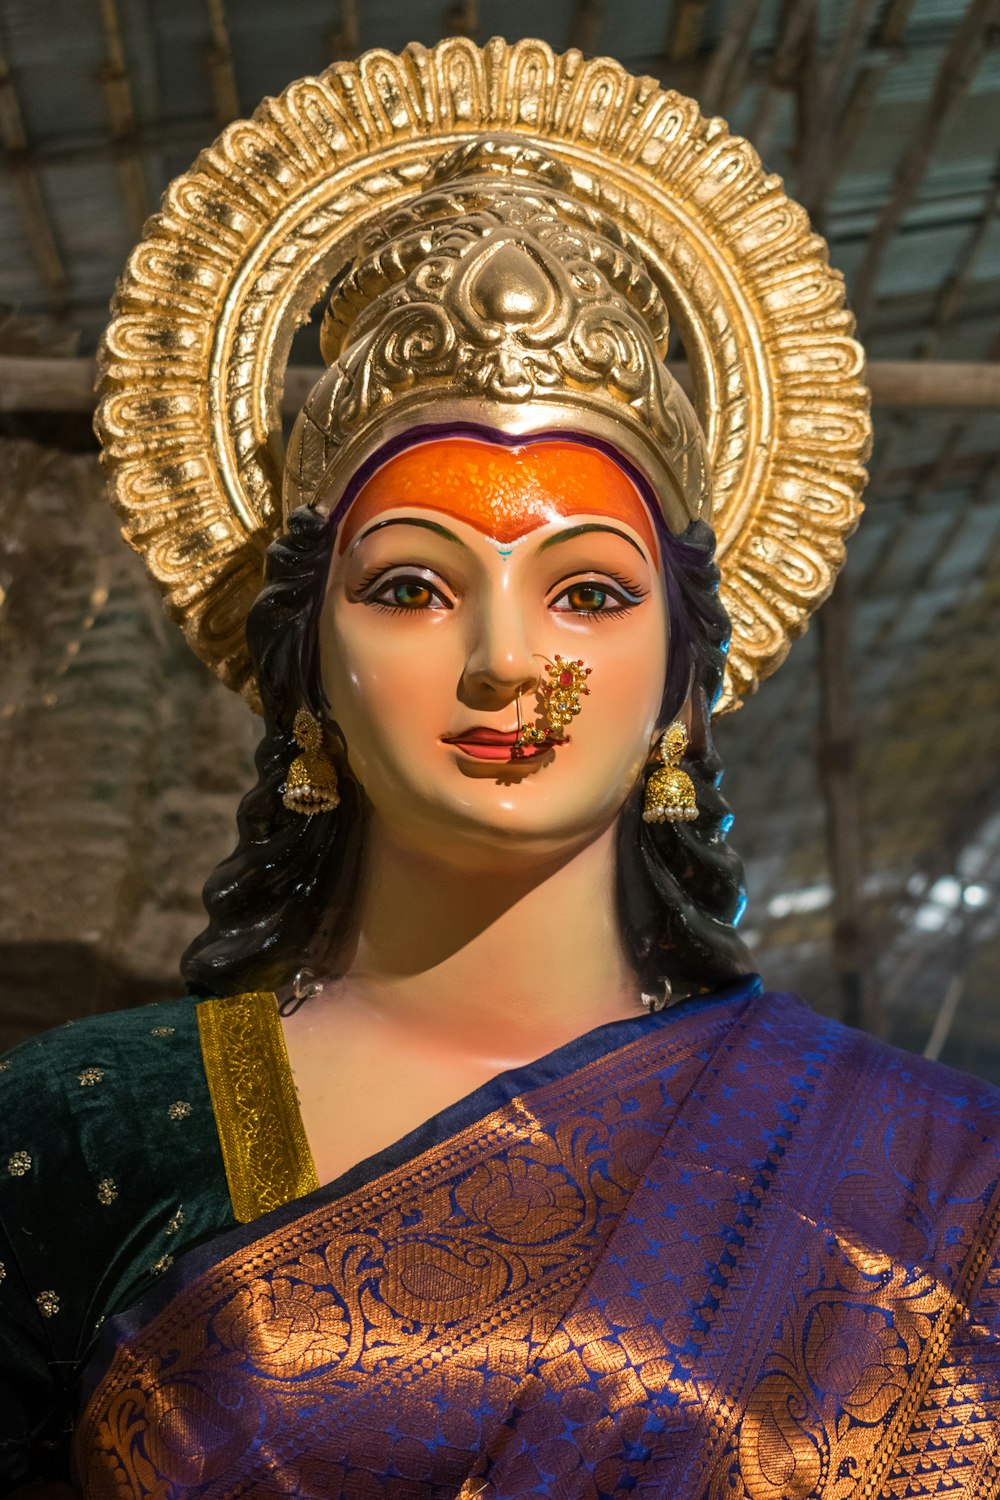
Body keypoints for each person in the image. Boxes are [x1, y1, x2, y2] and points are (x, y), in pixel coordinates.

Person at [2, 37, 998, 1500]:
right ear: (305, 664)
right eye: (410, 586)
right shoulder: (98, 1122)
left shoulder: (935, 1177)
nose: (503, 660)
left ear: (684, 675)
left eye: (589, 592)